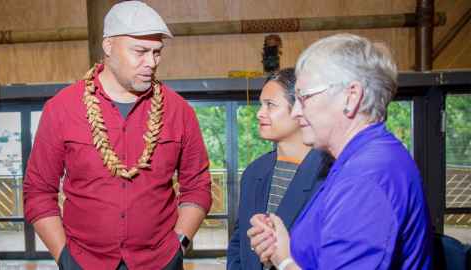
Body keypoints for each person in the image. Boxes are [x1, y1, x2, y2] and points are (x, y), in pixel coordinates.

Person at [23, 1, 211, 269]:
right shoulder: (61, 109)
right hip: (84, 261)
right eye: (140, 52)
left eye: (157, 52)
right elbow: (39, 191)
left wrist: (179, 245)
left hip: (160, 261)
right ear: (108, 46)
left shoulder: (179, 111)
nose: (151, 63)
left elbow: (198, 186)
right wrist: (64, 256)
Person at [248, 34, 432, 269]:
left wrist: (284, 260)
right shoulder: (355, 160)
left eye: (304, 98)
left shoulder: (366, 177)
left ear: (351, 96)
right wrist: (283, 243)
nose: (295, 112)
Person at [227, 68, 332, 270]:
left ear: (300, 109)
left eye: (270, 105)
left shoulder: (329, 174)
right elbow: (238, 242)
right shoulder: (254, 172)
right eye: (261, 105)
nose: (259, 113)